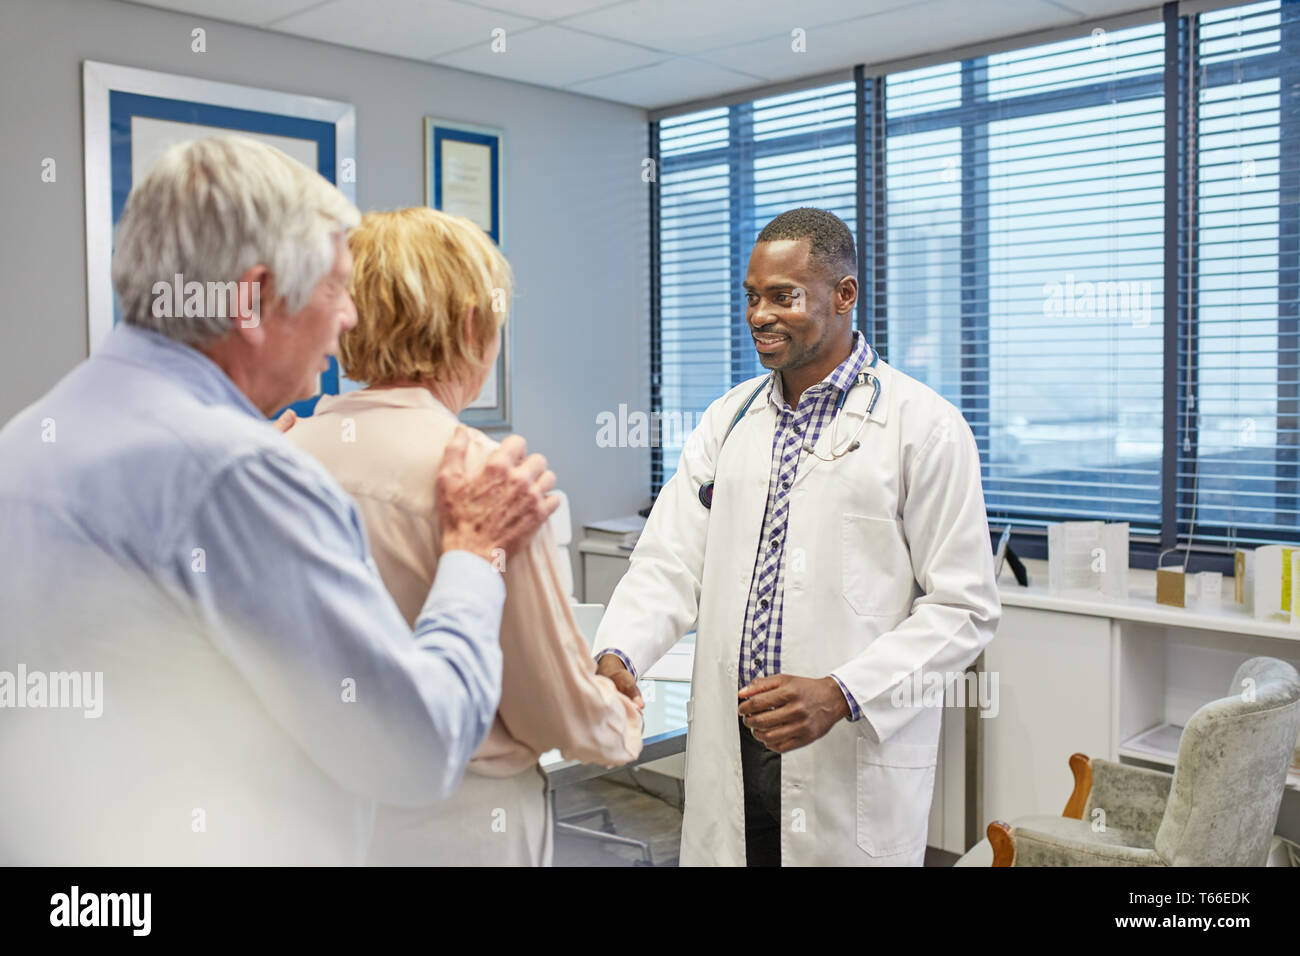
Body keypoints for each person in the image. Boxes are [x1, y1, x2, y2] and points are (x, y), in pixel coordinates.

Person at [0, 136, 557, 865]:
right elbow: (416, 749)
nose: (350, 320)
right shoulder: (234, 472)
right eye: (334, 289)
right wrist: (474, 554)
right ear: (255, 300)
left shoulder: (36, 432)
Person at [593, 207, 1001, 866]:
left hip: (844, 744)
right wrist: (620, 655)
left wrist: (842, 691)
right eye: (752, 297)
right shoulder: (728, 421)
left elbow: (965, 607)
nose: (759, 315)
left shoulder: (924, 427)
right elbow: (669, 560)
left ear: (845, 295)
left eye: (784, 296)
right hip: (734, 745)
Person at [286, 207, 642, 866]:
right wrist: (620, 716)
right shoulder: (486, 478)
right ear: (475, 324)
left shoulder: (277, 453)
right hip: (459, 822)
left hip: (316, 811)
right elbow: (553, 710)